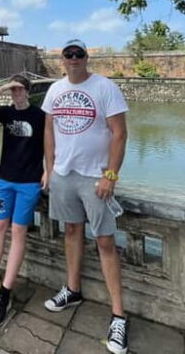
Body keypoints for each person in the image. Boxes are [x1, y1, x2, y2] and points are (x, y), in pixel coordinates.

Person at [41, 39, 130, 354]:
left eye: (79, 54)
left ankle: (118, 315)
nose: (74, 59)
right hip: (63, 175)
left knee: (105, 241)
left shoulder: (104, 87)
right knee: (71, 231)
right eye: (69, 54)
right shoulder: (54, 90)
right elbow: (49, 131)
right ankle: (73, 289)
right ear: (62, 60)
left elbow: (120, 133)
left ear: (86, 58)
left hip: (95, 177)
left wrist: (111, 175)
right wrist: (49, 169)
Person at [0, 74, 45, 327]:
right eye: (13, 90)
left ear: (28, 91)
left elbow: (50, 145)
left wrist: (49, 169)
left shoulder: (40, 115)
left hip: (29, 183)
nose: (16, 94)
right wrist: (2, 87)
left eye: (19, 90)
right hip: (5, 180)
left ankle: (6, 292)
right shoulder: (5, 112)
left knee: (18, 231)